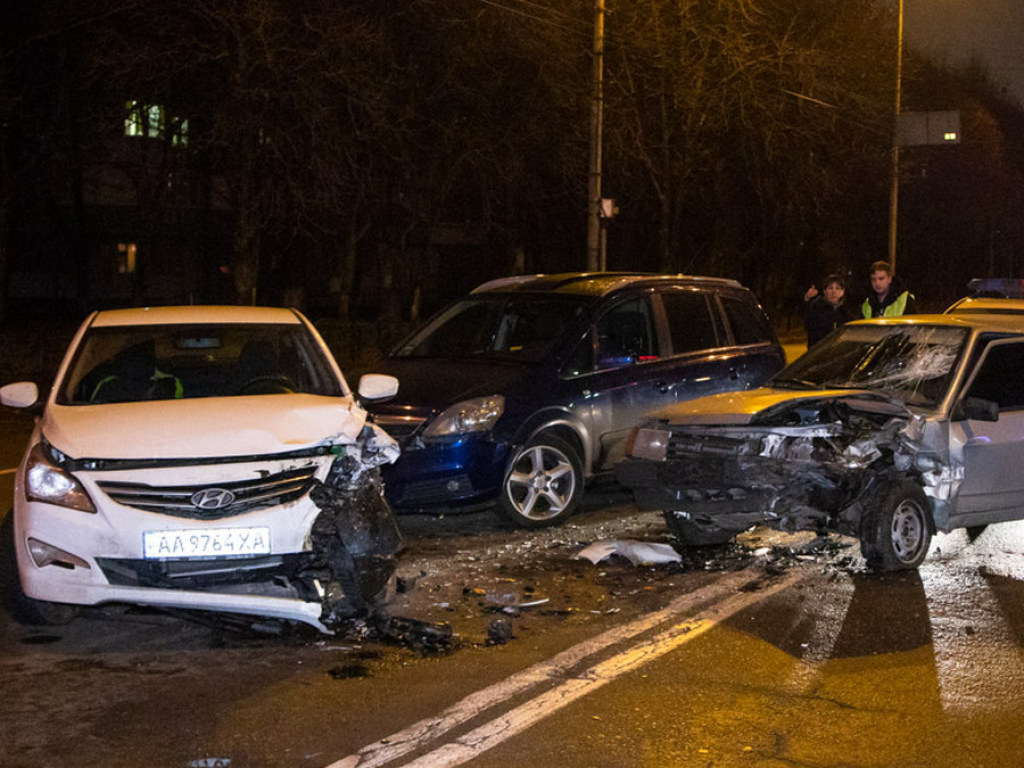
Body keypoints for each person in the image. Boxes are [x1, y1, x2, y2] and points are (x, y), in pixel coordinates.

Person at [802, 273, 855, 348]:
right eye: (830, 288)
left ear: (843, 292)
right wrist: (807, 300)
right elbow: (808, 326)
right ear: (824, 291)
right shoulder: (816, 308)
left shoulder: (847, 311)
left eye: (837, 288)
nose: (834, 292)